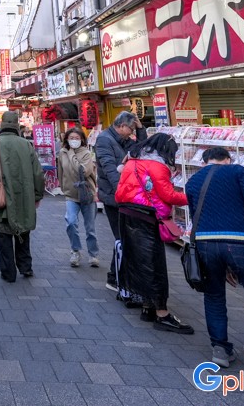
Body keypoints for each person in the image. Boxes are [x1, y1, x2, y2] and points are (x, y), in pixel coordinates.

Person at [186, 146, 244, 374]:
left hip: (206, 245)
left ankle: (220, 349)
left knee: (214, 296)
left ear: (205, 161)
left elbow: (195, 215)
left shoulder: (193, 181)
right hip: (241, 243)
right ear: (227, 159)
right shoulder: (237, 172)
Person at [114, 133, 193, 333]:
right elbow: (167, 195)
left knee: (139, 262)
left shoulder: (132, 161)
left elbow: (122, 190)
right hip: (146, 218)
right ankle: (162, 313)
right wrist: (191, 197)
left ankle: (147, 306)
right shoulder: (157, 166)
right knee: (154, 265)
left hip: (127, 213)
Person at [0, 111, 45, 282]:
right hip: (24, 197)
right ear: (16, 124)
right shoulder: (26, 145)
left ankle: (8, 273)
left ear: (1, 124)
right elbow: (38, 174)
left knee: (4, 236)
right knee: (23, 231)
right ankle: (25, 266)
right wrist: (37, 195)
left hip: (1, 198)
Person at [95, 111, 137, 291]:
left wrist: (140, 130)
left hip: (122, 195)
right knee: (122, 236)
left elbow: (140, 148)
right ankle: (114, 278)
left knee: (124, 236)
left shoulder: (122, 140)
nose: (132, 132)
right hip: (114, 196)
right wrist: (122, 191)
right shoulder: (105, 140)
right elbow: (109, 168)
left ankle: (118, 276)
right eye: (131, 128)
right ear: (121, 126)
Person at [57, 126, 99, 268]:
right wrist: (63, 187)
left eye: (76, 138)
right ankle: (75, 250)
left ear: (82, 139)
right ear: (66, 139)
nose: (74, 141)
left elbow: (83, 171)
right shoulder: (62, 153)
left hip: (87, 195)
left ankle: (93, 254)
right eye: (71, 138)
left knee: (90, 228)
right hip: (71, 194)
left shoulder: (86, 153)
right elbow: (61, 171)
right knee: (71, 222)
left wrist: (71, 154)